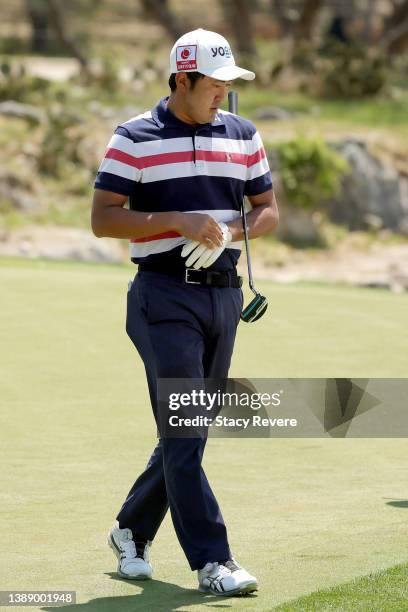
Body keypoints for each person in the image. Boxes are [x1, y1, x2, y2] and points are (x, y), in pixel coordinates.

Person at [91, 27, 279, 597]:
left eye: (228, 84)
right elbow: (104, 217)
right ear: (182, 79)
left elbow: (267, 209)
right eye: (214, 84)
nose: (222, 92)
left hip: (224, 294)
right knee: (185, 423)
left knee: (189, 431)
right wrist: (179, 222)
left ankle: (129, 530)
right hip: (163, 295)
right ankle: (213, 561)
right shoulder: (136, 137)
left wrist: (236, 229)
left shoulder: (243, 134)